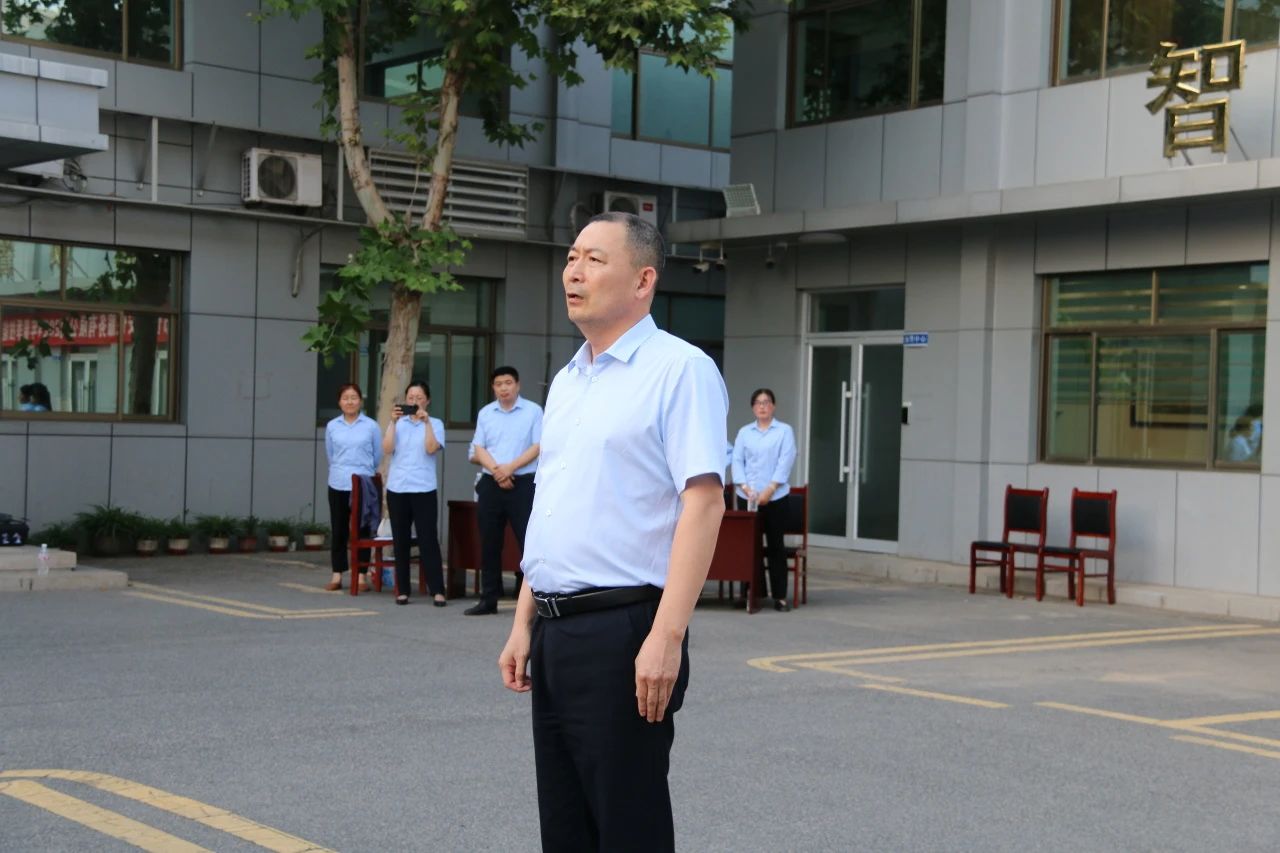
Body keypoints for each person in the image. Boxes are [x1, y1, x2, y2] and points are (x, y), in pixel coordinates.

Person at [498, 212, 728, 853]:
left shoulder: (679, 370)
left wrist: (666, 637)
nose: (574, 271)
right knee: (565, 826)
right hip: (555, 630)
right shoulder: (568, 381)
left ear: (643, 280)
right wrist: (524, 620)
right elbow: (554, 508)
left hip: (625, 629)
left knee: (627, 825)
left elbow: (704, 502)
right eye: (571, 257)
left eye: (595, 259)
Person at [466, 366, 542, 616]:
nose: (504, 388)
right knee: (489, 542)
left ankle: (536, 600)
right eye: (498, 384)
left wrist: (510, 468)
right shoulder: (486, 413)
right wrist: (498, 471)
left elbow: (538, 446)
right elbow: (479, 447)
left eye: (508, 383)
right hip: (492, 482)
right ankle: (488, 599)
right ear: (493, 388)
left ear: (517, 385)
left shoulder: (533, 411)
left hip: (523, 482)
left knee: (528, 542)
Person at [731, 388, 798, 611]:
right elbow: (737, 460)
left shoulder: (784, 431)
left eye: (767, 402)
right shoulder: (744, 432)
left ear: (773, 406)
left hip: (776, 497)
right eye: (758, 403)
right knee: (749, 547)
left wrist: (770, 489)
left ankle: (780, 596)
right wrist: (744, 487)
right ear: (753, 407)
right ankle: (750, 594)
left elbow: (786, 460)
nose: (762, 406)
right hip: (748, 496)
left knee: (776, 545)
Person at [383, 380, 448, 606]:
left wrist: (426, 422)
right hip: (398, 487)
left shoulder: (436, 423)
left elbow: (431, 448)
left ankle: (437, 589)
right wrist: (392, 422)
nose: (414, 401)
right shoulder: (397, 423)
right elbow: (387, 448)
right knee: (400, 539)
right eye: (410, 398)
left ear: (427, 401)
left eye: (419, 398)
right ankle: (402, 590)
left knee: (427, 538)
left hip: (423, 488)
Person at [323, 383, 381, 592]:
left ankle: (361, 576)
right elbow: (331, 454)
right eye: (345, 398)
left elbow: (377, 456)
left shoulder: (371, 426)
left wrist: (364, 471)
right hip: (338, 483)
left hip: (362, 484)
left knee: (362, 529)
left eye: (354, 397)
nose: (350, 402)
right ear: (339, 402)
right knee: (338, 528)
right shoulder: (332, 426)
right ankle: (337, 574)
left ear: (360, 401)